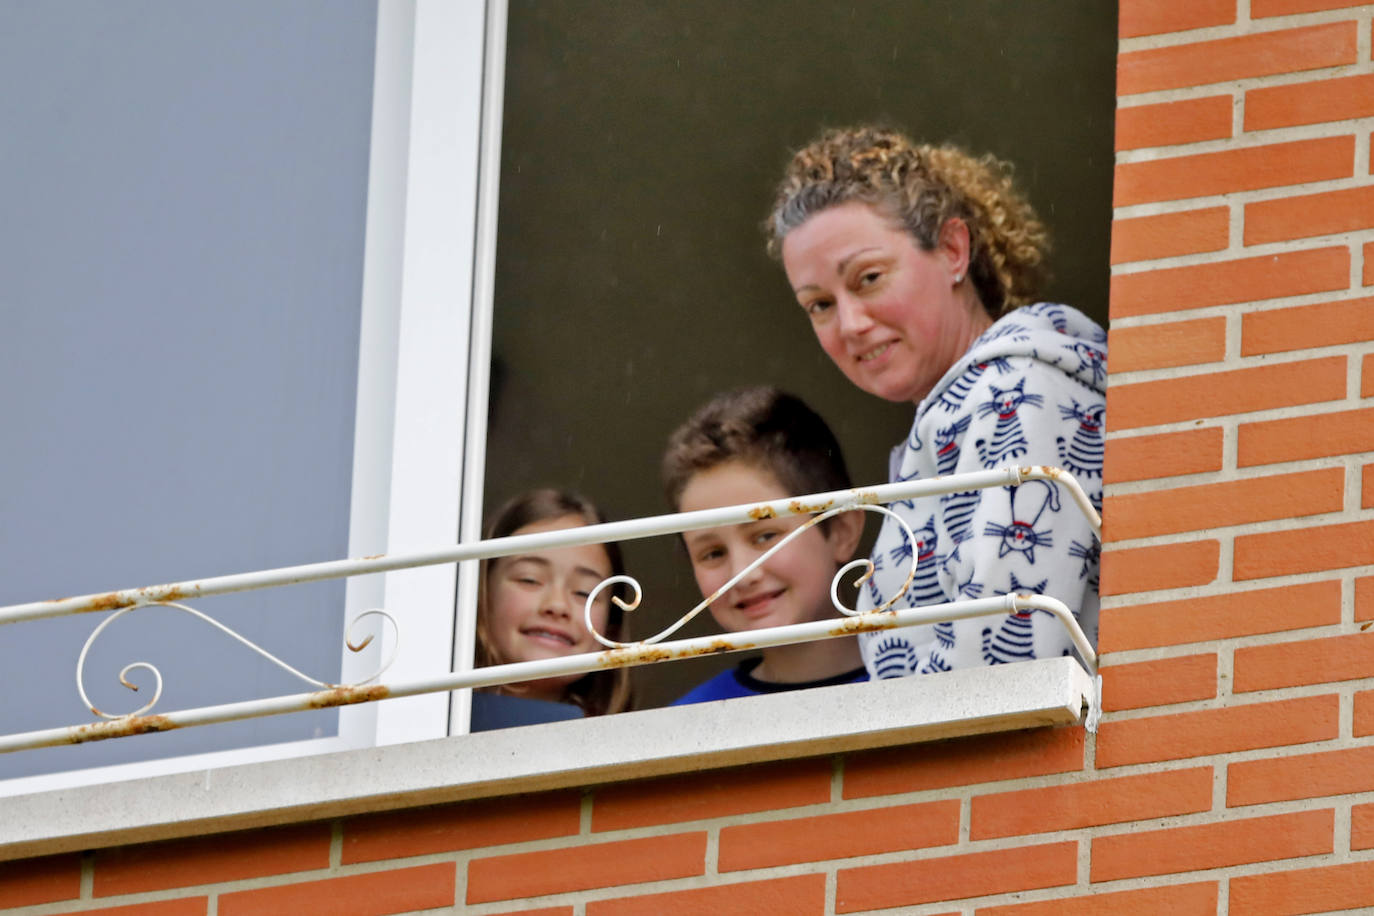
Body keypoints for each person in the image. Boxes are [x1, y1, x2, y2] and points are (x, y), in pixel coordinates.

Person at [765, 124, 1105, 679]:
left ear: (952, 250)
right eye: (819, 304)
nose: (850, 323)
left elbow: (1001, 671)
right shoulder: (968, 411)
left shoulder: (1014, 396)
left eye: (869, 278)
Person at [662, 387, 867, 704]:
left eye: (765, 536)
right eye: (713, 553)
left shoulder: (925, 676)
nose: (742, 574)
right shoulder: (688, 720)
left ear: (842, 531)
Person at [471, 489, 632, 729]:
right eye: (529, 579)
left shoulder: (616, 745)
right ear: (482, 594)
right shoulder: (431, 718)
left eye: (584, 593)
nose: (557, 606)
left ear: (610, 629)